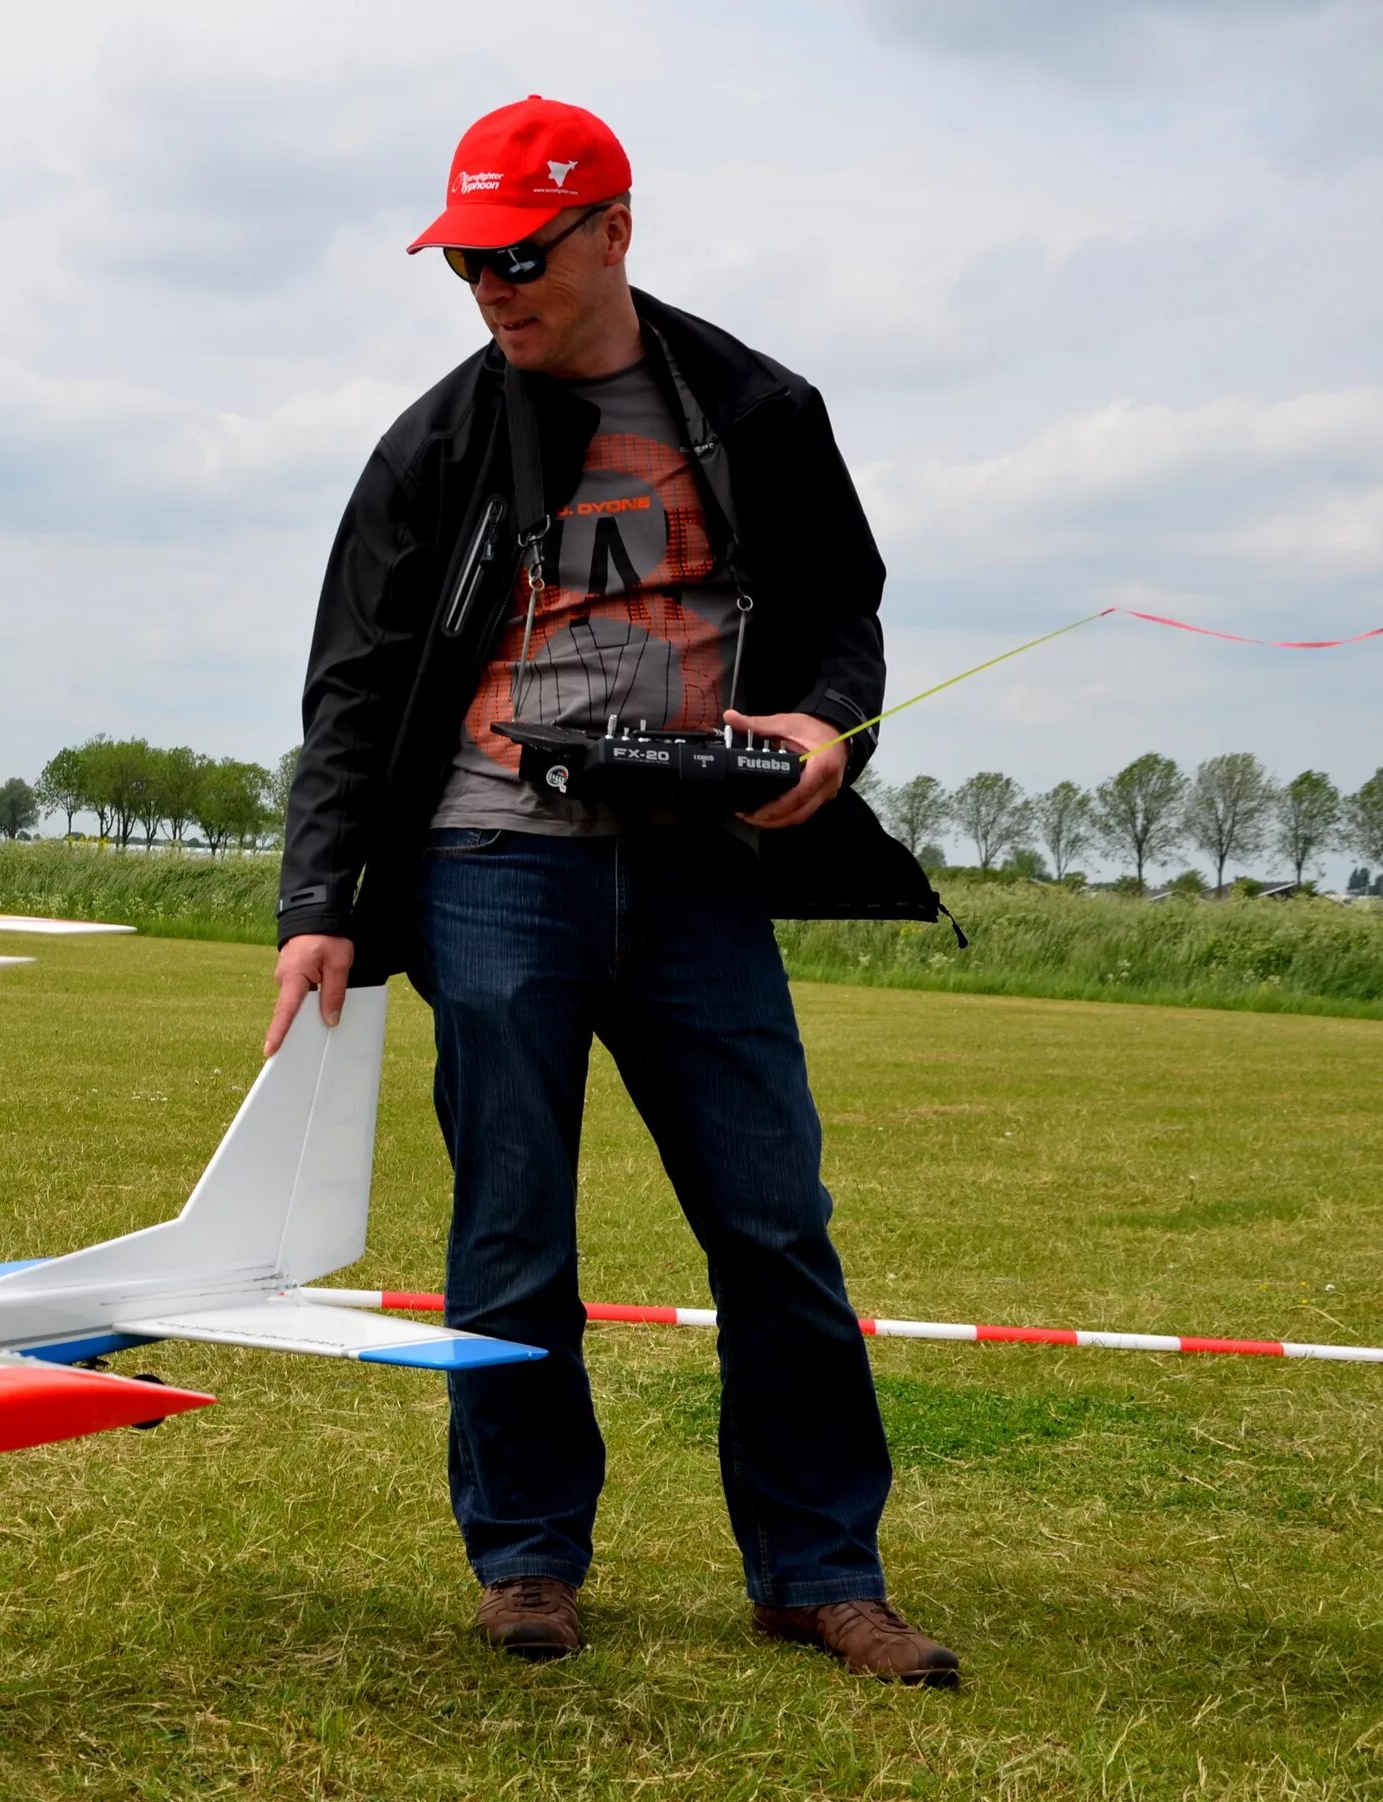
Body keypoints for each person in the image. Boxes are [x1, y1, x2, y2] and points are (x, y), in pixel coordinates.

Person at [267, 97, 958, 1685]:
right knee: (513, 1232)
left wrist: (821, 731)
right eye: (467, 265)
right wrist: (322, 897)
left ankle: (818, 1573)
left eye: (522, 254)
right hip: (490, 859)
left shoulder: (760, 407)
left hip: (699, 876)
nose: (496, 288)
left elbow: (843, 617)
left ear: (614, 232)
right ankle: (527, 1564)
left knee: (777, 1228)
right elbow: (356, 682)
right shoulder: (434, 443)